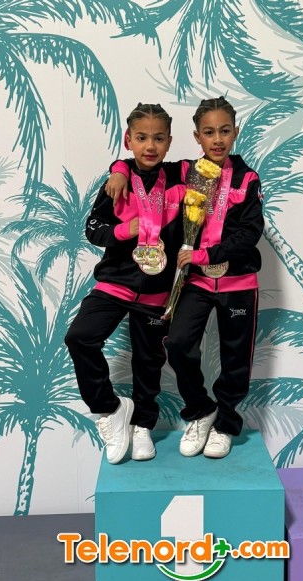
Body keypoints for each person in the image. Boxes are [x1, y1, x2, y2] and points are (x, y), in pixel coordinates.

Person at [107, 96, 264, 459]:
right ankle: (200, 410)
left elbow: (250, 233)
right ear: (197, 137)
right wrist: (119, 169)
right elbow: (144, 164)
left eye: (225, 131)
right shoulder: (186, 172)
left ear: (236, 132)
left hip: (238, 283)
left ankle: (225, 424)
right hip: (196, 282)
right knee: (177, 344)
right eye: (209, 132)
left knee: (236, 357)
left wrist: (205, 255)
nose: (217, 139)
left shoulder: (248, 178)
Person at [65, 103, 188, 464]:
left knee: (148, 361)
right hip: (114, 284)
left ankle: (143, 426)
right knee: (79, 337)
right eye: (142, 137)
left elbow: (214, 166)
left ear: (169, 142)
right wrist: (126, 228)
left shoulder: (178, 178)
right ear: (128, 140)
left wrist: (118, 165)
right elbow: (93, 230)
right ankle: (111, 409)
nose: (150, 145)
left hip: (156, 290)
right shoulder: (116, 183)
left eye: (159, 138)